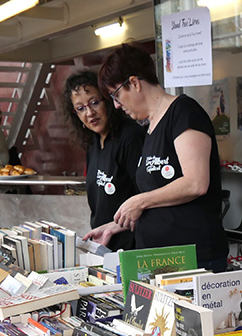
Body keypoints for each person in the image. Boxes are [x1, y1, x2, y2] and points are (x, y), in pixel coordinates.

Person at [92, 43, 230, 272]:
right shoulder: (150, 126)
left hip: (194, 258)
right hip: (159, 258)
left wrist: (139, 201)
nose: (116, 106)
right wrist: (115, 225)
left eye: (116, 95)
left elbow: (196, 183)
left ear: (134, 83)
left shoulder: (184, 112)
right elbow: (162, 196)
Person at [62, 69, 144, 252]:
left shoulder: (130, 137)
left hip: (133, 246)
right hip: (105, 244)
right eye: (81, 108)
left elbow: (147, 199)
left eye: (94, 102)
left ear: (109, 101)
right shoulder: (93, 142)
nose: (90, 113)